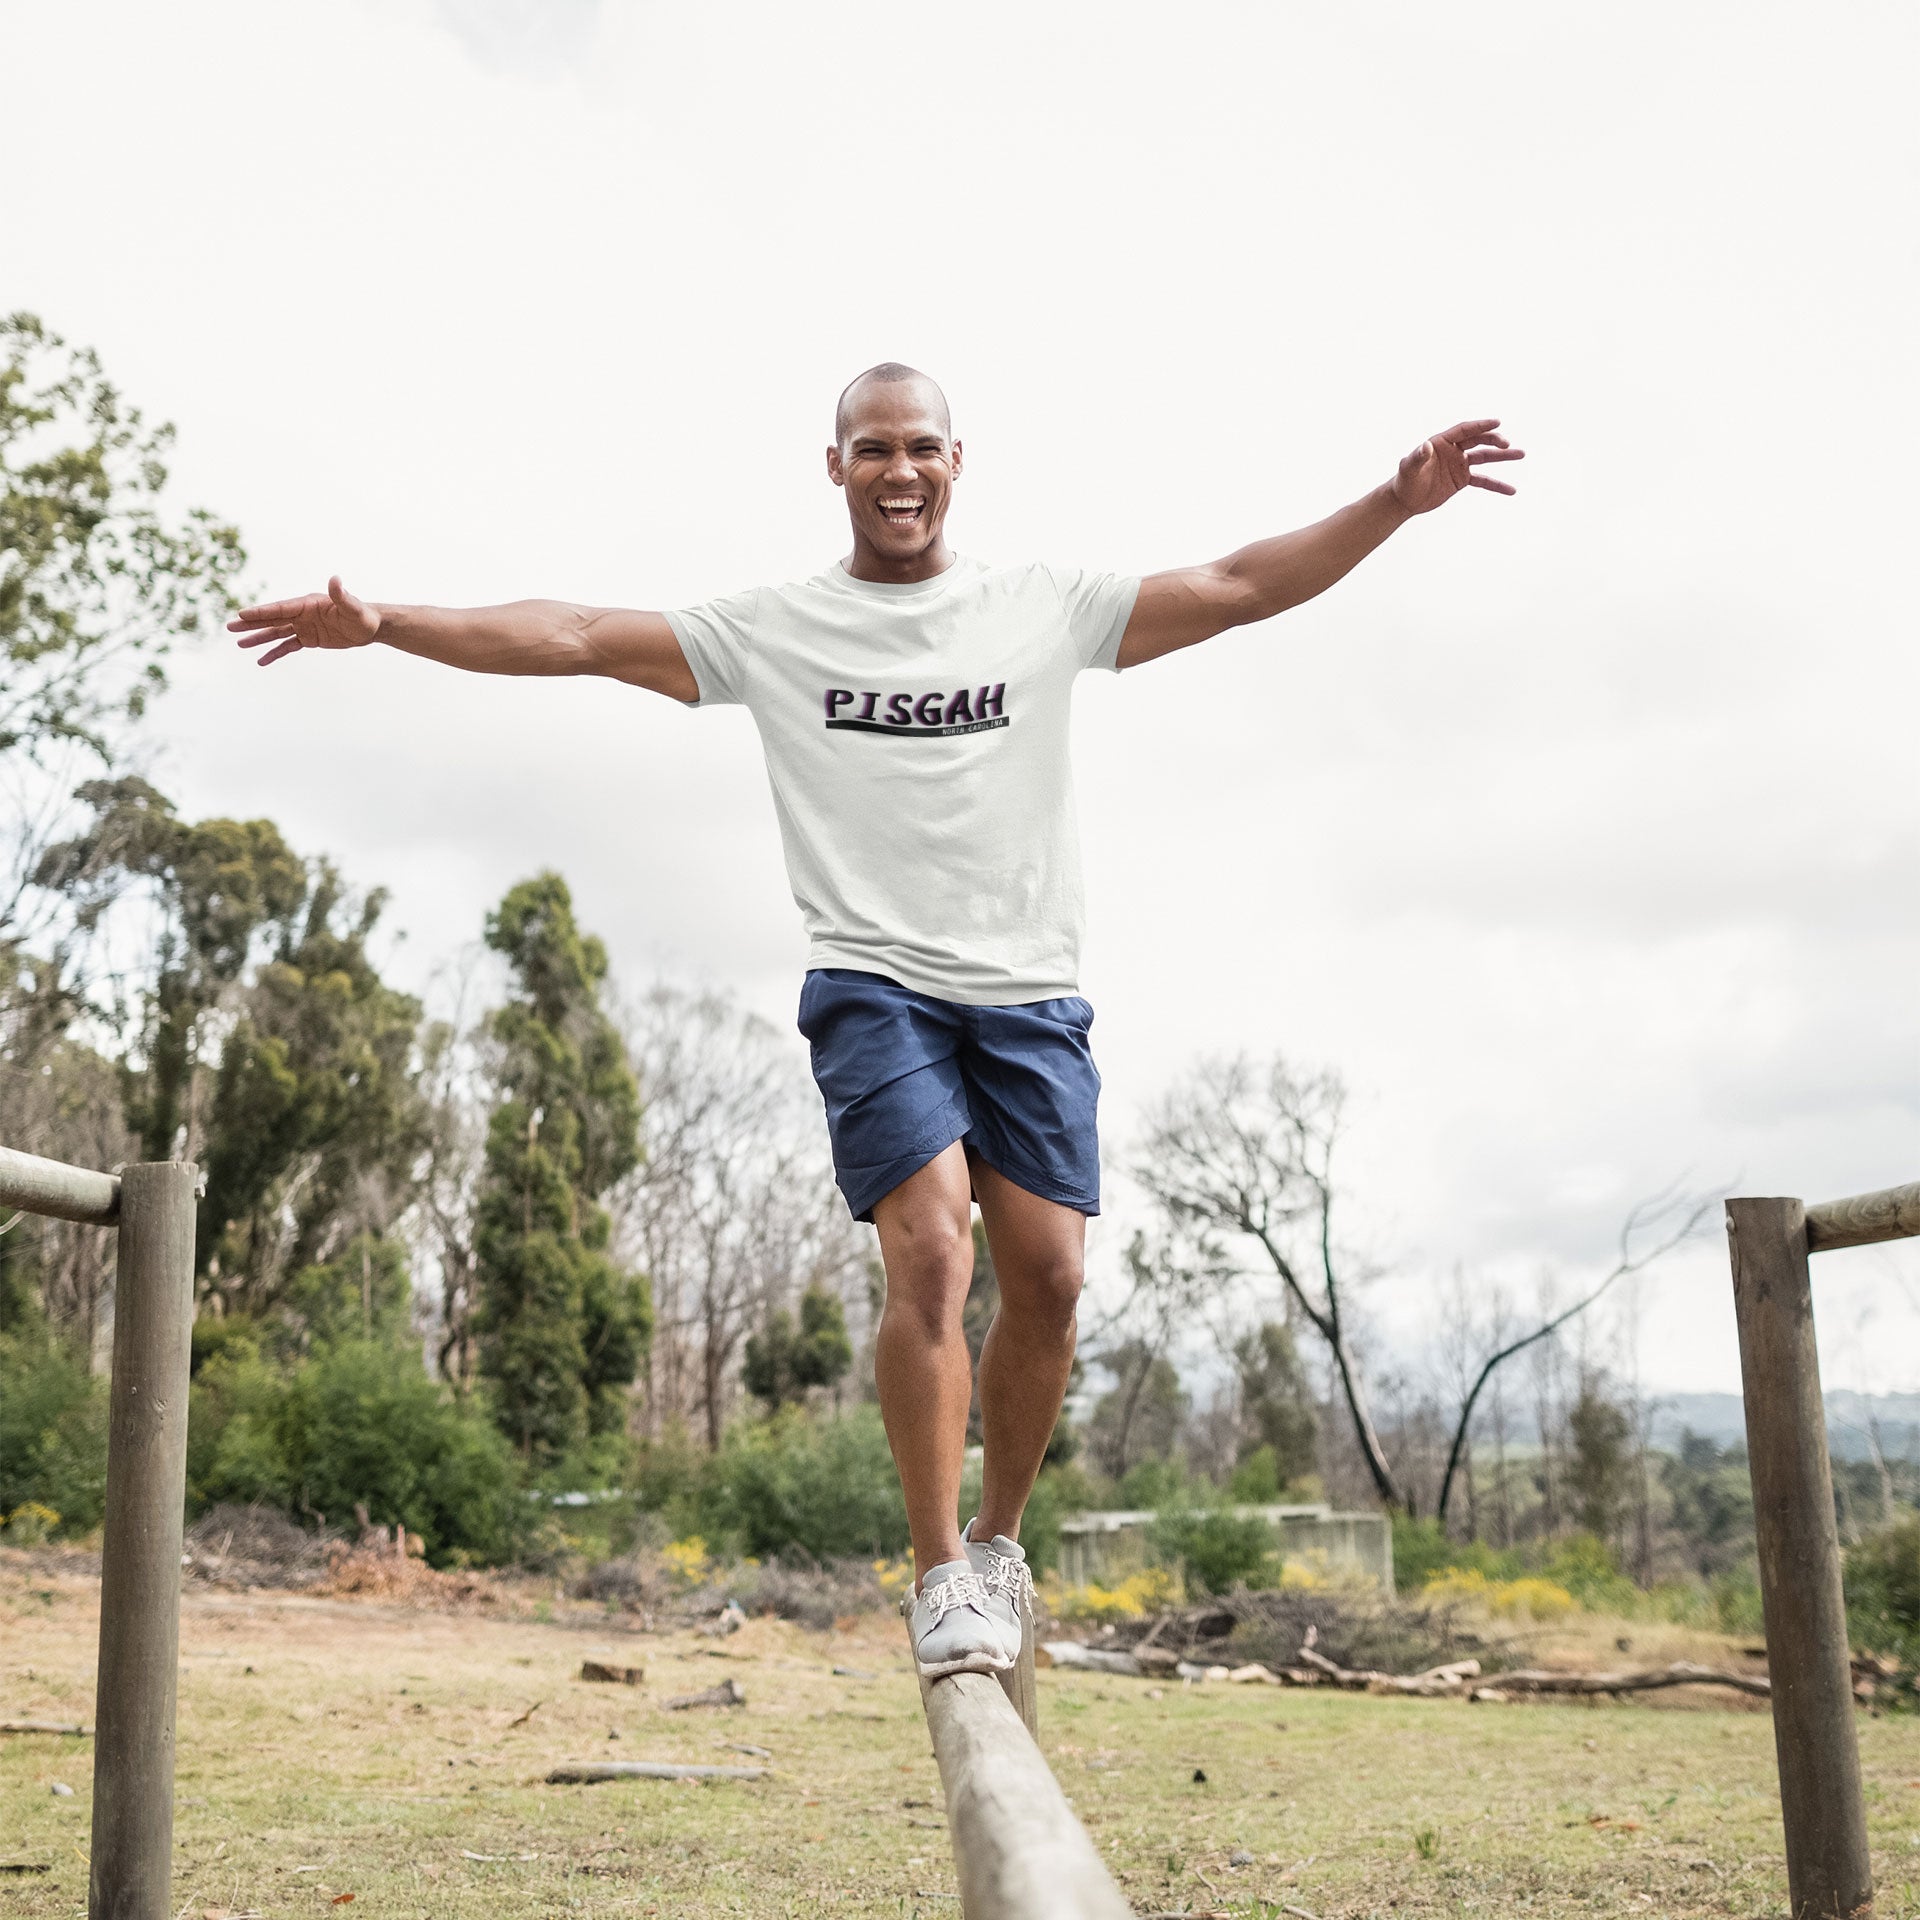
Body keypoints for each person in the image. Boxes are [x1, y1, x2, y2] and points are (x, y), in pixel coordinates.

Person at [231, 363, 1522, 1677]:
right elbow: (573, 633)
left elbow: (1243, 587)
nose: (898, 472)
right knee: (932, 1255)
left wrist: (1392, 502)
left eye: (920, 449)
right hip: (874, 986)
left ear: (959, 462)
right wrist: (387, 622)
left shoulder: (1043, 610)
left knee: (1055, 1277)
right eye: (872, 451)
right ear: (834, 465)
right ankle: (940, 1576)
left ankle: (1001, 1537)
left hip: (1029, 994)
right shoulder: (780, 629)